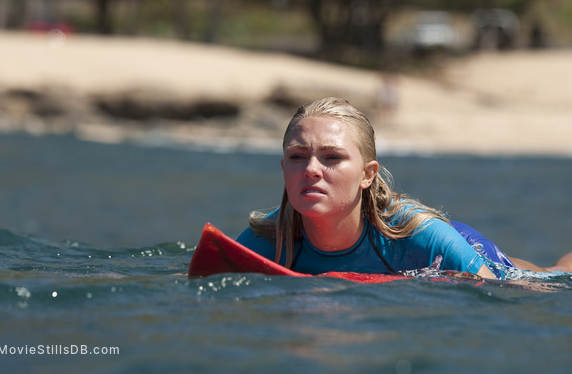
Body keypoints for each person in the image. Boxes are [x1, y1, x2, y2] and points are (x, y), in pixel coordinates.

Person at [236, 97, 572, 280]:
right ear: (284, 169)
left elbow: (502, 298)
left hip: (462, 246)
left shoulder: (424, 237)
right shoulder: (269, 237)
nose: (310, 169)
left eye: (332, 157)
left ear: (367, 174)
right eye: (297, 156)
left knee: (542, 276)